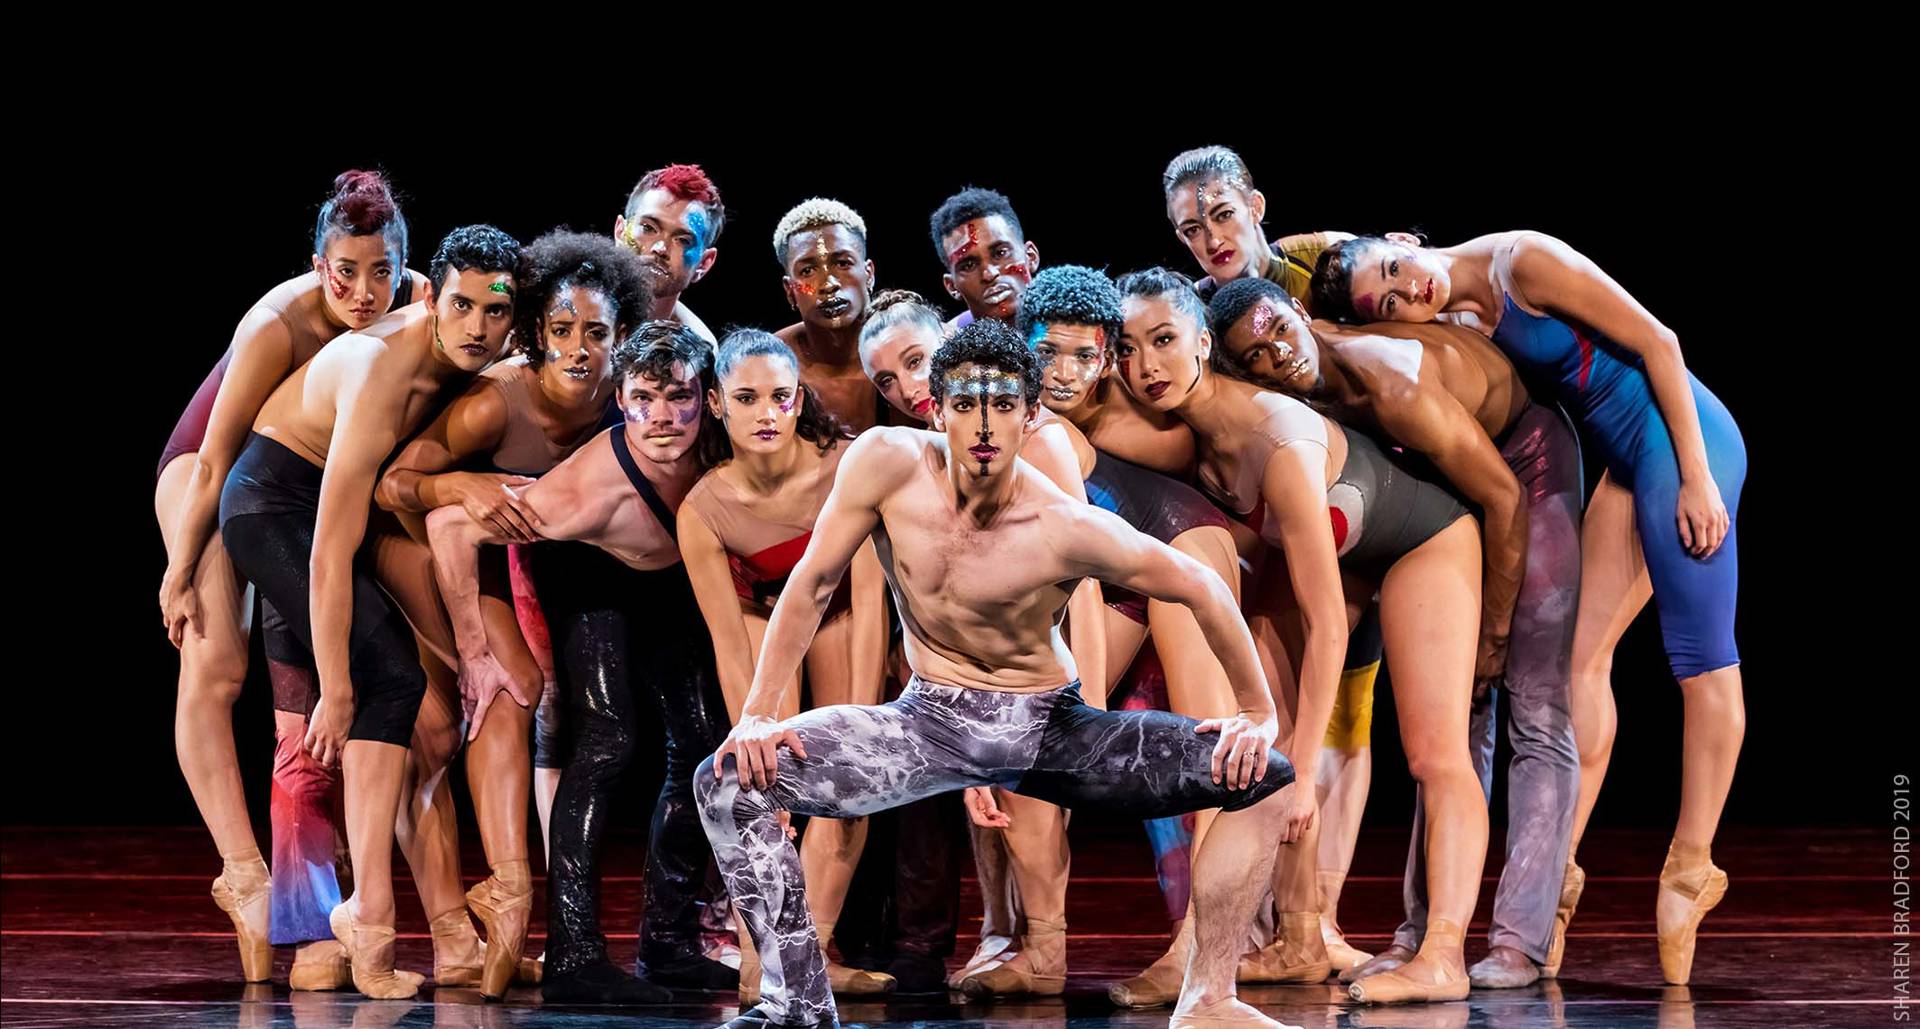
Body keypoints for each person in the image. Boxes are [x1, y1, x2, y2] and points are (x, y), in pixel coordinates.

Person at [698, 318, 1296, 1029]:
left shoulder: (1062, 524)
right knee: (730, 780)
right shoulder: (884, 461)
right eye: (967, 404)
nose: (984, 425)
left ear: (1029, 412)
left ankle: (1209, 999)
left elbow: (1200, 584)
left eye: (1004, 405)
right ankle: (797, 1006)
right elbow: (812, 581)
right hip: (926, 722)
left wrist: (1258, 710)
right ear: (936, 407)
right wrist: (761, 711)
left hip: (1048, 728)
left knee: (1262, 774)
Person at [1312, 229, 1746, 985]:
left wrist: (1698, 477)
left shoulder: (1521, 263)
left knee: (1700, 662)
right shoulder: (1447, 318)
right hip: (1618, 461)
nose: (1403, 292)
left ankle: (1691, 864)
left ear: (1411, 240)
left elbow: (1660, 340)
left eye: (1395, 268)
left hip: (1683, 442)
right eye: (1384, 304)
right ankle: (1553, 888)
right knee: (1577, 669)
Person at [1119, 267, 1487, 1005]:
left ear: (1200, 341)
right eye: (1128, 349)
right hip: (1336, 556)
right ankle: (1300, 934)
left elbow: (1325, 624)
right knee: (1272, 730)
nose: (1147, 366)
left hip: (1423, 540)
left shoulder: (1273, 438)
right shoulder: (1191, 433)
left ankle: (1444, 953)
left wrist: (1303, 778)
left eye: (1163, 340)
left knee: (1431, 749)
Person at [1211, 274, 1582, 988]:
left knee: (1513, 705)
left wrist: (1495, 634)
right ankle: (1355, 935)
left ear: (1296, 311)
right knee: (1331, 720)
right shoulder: (1286, 395)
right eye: (1254, 355)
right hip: (1411, 493)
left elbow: (1500, 496)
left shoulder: (1392, 380)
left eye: (1278, 332)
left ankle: (1480, 947)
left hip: (1516, 465)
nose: (1276, 356)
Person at [218, 224, 523, 999]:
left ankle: (435, 933)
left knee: (417, 711)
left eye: (495, 312)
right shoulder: (383, 365)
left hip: (318, 520)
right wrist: (338, 684)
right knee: (382, 680)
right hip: (271, 508)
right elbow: (324, 548)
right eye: (462, 306)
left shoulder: (469, 359)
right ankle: (367, 917)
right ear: (430, 296)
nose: (477, 328)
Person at [156, 170, 420, 988]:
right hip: (209, 477)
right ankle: (244, 871)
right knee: (214, 663)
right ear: (317, 264)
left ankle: (314, 911)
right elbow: (216, 457)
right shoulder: (278, 320)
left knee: (316, 678)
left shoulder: (420, 301)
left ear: (406, 265)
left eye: (383, 271)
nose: (365, 290)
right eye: (346, 271)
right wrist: (179, 567)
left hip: (306, 495)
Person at [376, 229, 649, 996]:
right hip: (431, 550)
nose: (578, 348)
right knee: (508, 686)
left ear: (620, 336)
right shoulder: (501, 398)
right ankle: (510, 890)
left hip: (520, 564)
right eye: (561, 330)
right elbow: (394, 485)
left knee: (467, 721)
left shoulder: (626, 406)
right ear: (535, 332)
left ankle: (480, 916)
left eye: (596, 332)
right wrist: (456, 487)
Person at [428, 321, 734, 1003]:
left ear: (707, 398)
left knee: (706, 743)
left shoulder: (723, 435)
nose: (661, 417)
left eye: (678, 396)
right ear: (620, 400)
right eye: (644, 398)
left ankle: (669, 943)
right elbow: (449, 527)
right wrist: (474, 651)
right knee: (609, 739)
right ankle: (572, 953)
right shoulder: (583, 490)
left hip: (668, 572)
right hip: (587, 570)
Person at [679, 330, 892, 998]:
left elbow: (867, 600)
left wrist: (860, 723)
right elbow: (726, 635)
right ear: (717, 403)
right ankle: (759, 961)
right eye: (746, 398)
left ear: (800, 400)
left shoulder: (845, 467)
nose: (765, 412)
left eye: (779, 396)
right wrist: (755, 733)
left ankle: (811, 955)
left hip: (840, 614)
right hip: (757, 622)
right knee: (758, 790)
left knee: (849, 785)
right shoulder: (704, 507)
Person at [772, 198, 885, 432]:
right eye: (808, 271)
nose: (829, 284)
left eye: (843, 263)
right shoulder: (771, 362)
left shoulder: (913, 345)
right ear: (790, 290)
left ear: (869, 274)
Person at [615, 162, 725, 344]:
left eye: (682, 240)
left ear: (704, 263)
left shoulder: (698, 355)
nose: (660, 248)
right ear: (620, 231)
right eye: (648, 228)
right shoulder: (562, 311)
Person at [927, 186, 1039, 332]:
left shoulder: (1075, 319)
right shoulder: (944, 345)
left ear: (1030, 256)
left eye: (1000, 253)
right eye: (968, 266)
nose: (989, 274)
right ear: (952, 286)